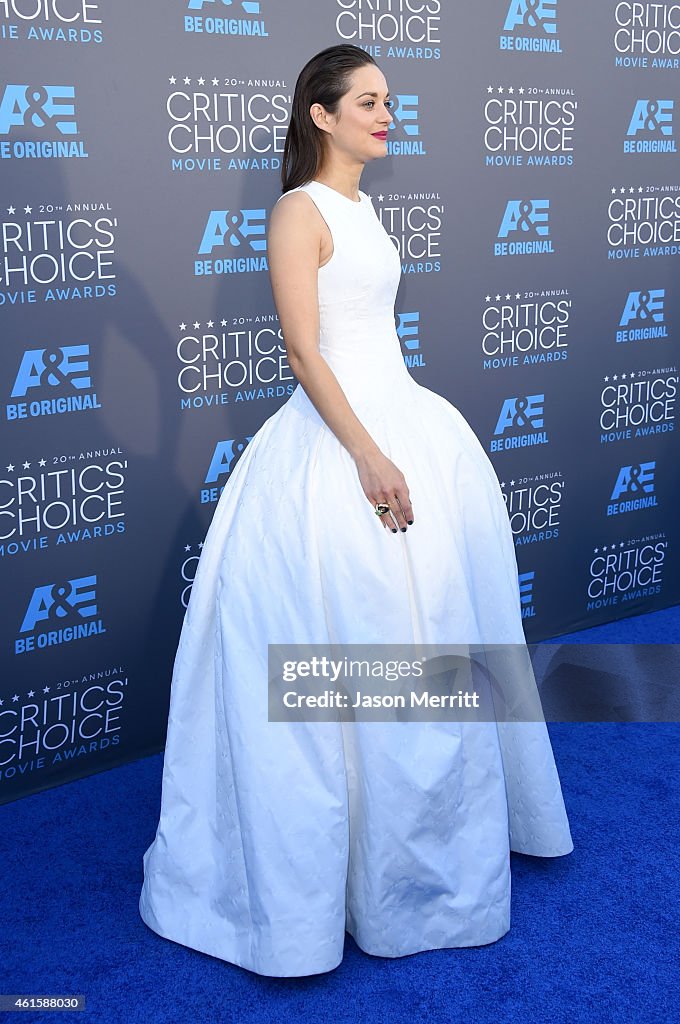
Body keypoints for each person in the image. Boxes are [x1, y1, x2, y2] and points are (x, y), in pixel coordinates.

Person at [138, 44, 574, 978]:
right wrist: (369, 453)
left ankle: (419, 852)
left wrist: (394, 436)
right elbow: (304, 351)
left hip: (409, 419)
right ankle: (327, 880)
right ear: (321, 116)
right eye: (369, 101)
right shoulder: (298, 212)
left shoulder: (367, 209)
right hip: (344, 444)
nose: (387, 114)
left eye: (390, 100)